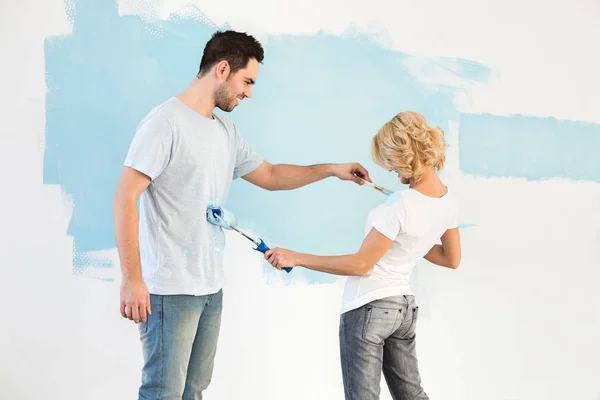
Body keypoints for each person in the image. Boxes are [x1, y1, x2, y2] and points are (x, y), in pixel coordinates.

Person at [112, 30, 372, 400]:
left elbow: (270, 175)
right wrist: (132, 280)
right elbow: (125, 198)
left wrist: (332, 169)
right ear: (222, 69)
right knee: (162, 392)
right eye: (247, 81)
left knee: (193, 391)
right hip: (170, 290)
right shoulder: (165, 123)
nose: (249, 92)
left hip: (209, 288)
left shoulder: (225, 132)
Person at [265, 111, 462, 400]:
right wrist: (408, 239)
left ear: (403, 154)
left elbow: (360, 265)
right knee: (412, 395)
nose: (394, 173)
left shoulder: (399, 206)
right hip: (404, 310)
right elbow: (451, 259)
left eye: (392, 164)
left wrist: (297, 257)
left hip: (369, 308)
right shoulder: (447, 201)